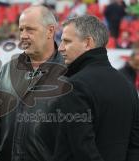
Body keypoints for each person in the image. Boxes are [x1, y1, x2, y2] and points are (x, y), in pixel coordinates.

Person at [0, 5, 70, 161]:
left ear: (50, 31)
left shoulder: (70, 72)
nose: (23, 35)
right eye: (21, 29)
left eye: (30, 29)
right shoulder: (7, 70)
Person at [57, 15, 139, 161]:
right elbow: (134, 147)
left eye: (67, 41)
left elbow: (82, 149)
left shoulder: (75, 86)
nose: (60, 48)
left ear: (88, 43)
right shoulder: (128, 85)